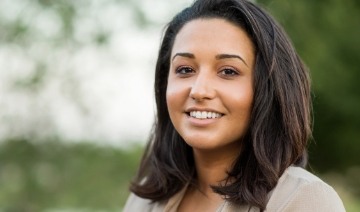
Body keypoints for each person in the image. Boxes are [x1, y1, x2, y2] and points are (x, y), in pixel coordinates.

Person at [124, 0, 345, 211]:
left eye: (228, 71)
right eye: (185, 70)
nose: (199, 90)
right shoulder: (144, 202)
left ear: (267, 89)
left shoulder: (303, 199)